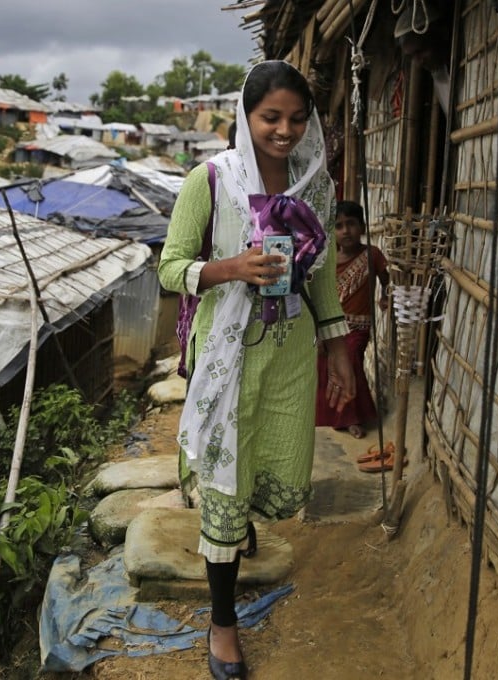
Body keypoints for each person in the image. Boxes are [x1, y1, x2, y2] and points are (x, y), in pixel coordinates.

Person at [158, 60, 356, 680]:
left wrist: (341, 352)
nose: (285, 131)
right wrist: (231, 269)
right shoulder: (210, 181)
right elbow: (169, 268)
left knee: (272, 466)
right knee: (224, 484)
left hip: (290, 358)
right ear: (246, 116)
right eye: (271, 117)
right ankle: (223, 624)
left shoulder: (314, 188)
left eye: (297, 119)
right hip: (226, 358)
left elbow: (321, 278)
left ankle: (238, 528)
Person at [315, 200, 389, 442]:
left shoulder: (372, 255)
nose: (345, 231)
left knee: (351, 359)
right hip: (331, 327)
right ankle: (337, 416)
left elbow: (388, 279)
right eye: (338, 226)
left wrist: (386, 297)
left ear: (362, 227)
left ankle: (352, 418)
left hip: (358, 327)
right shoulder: (327, 261)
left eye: (351, 224)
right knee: (326, 366)